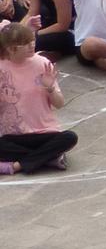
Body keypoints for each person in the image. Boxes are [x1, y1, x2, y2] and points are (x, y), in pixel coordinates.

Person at [0, 21, 75, 174]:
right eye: (25, 43)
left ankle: (16, 166)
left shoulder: (42, 64)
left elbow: (59, 103)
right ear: (11, 49)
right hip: (13, 135)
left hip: (44, 133)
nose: (31, 45)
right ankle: (50, 157)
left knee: (70, 137)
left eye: (32, 40)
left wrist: (50, 88)